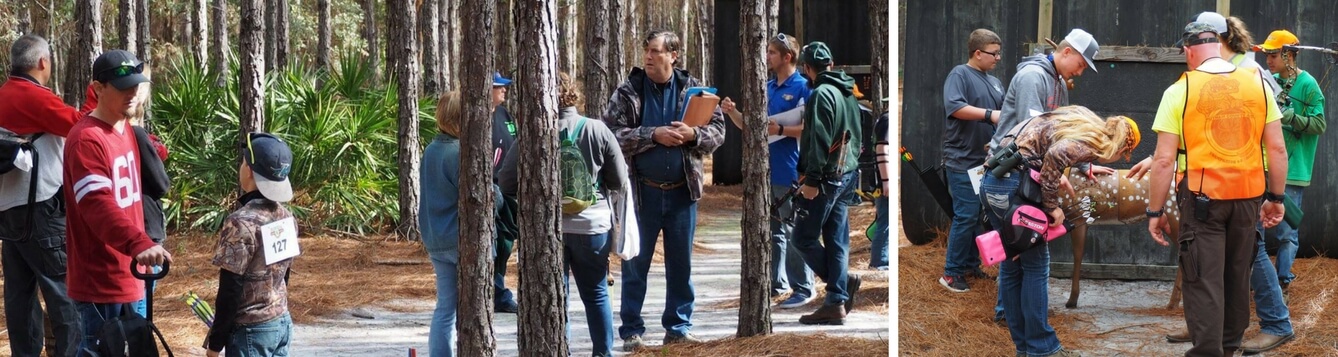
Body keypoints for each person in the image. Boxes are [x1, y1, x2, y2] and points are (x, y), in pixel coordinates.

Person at [1140, 16, 1299, 354]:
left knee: (1203, 280)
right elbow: (1277, 149)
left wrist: (1155, 211)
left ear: (1189, 51)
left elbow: (1164, 160)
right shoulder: (1257, 83)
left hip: (1203, 201)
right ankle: (1228, 348)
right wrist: (1276, 197)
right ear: (1220, 47)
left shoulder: (1179, 90)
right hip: (1248, 198)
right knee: (1237, 276)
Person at [982, 105, 1140, 357]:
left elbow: (1049, 146)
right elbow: (1056, 155)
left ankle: (1024, 347)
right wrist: (1052, 207)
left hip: (994, 180)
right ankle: (1042, 348)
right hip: (1014, 186)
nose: (1123, 159)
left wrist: (1077, 169)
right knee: (1036, 265)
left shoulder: (1079, 120)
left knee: (1012, 265)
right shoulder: (1088, 143)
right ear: (1121, 148)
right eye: (1124, 155)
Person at [604, 30, 726, 350]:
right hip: (642, 193)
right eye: (646, 50)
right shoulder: (629, 91)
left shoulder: (694, 91)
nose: (648, 56)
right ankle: (632, 330)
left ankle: (678, 327)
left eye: (656, 51)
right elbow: (611, 134)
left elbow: (718, 131)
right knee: (635, 264)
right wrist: (652, 134)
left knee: (681, 266)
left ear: (673, 55)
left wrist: (693, 135)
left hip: (683, 193)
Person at [498, 72, 628, 356]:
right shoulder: (598, 129)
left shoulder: (533, 133)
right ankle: (603, 353)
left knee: (558, 298)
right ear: (574, 96)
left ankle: (560, 351)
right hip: (593, 226)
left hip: (547, 228)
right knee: (596, 293)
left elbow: (506, 182)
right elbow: (619, 179)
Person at [987, 27, 1107, 322]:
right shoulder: (1033, 77)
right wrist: (1050, 171)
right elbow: (1032, 131)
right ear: (1067, 52)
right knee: (1022, 247)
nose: (1080, 72)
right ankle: (1013, 317)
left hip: (1028, 171)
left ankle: (1010, 315)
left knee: (1018, 246)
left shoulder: (1059, 83)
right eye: (1081, 64)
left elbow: (1061, 134)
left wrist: (1083, 165)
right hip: (1010, 172)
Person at [62, 49, 173, 353]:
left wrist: (142, 245)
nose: (133, 93)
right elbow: (97, 204)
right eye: (123, 87)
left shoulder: (125, 129)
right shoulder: (86, 139)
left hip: (131, 274)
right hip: (101, 281)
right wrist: (138, 243)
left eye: (136, 86)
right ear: (98, 88)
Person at [719, 32, 817, 308]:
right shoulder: (767, 87)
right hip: (765, 171)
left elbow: (811, 128)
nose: (767, 57)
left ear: (788, 57)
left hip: (791, 170)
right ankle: (777, 284)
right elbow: (751, 126)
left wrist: (782, 129)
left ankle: (804, 288)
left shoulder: (803, 87)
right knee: (773, 232)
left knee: (794, 230)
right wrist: (733, 112)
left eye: (772, 52)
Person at [0, 33, 82, 357]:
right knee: (63, 292)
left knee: (19, 297)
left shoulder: (3, 95)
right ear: (43, 62)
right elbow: (80, 127)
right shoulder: (33, 97)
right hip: (42, 208)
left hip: (8, 211)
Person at [785, 41, 864, 326]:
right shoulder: (848, 91)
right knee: (836, 240)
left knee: (802, 238)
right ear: (831, 64)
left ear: (807, 68)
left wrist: (812, 180)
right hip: (847, 174)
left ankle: (840, 287)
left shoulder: (820, 94)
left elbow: (819, 139)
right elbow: (857, 132)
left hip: (826, 178)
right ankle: (835, 303)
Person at [203, 132, 297, 357]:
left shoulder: (241, 222)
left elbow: (230, 289)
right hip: (281, 322)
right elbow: (283, 274)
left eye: (243, 162)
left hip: (250, 332)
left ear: (249, 171)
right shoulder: (286, 217)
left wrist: (215, 344)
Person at [937, 28, 1005, 293]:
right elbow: (955, 107)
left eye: (999, 53)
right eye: (993, 53)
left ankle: (969, 265)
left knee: (976, 215)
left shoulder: (995, 82)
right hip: (961, 160)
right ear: (978, 53)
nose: (998, 58)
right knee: (965, 215)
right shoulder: (960, 75)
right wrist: (989, 115)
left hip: (984, 161)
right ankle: (951, 273)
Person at [1257, 29, 1324, 295]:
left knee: (1286, 231)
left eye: (1273, 55)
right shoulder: (1268, 81)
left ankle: (1282, 281)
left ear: (1289, 55)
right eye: (1267, 55)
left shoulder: (1308, 85)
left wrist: (1290, 117)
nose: (1268, 60)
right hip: (1262, 165)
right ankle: (1259, 281)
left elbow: (1319, 124)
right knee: (1255, 229)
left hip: (1293, 170)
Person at [489, 72, 522, 314]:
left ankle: (497, 288)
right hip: (487, 190)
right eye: (498, 86)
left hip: (508, 189)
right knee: (493, 241)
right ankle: (497, 293)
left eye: (504, 86)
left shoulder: (504, 114)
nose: (504, 90)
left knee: (505, 241)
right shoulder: (474, 115)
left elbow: (515, 142)